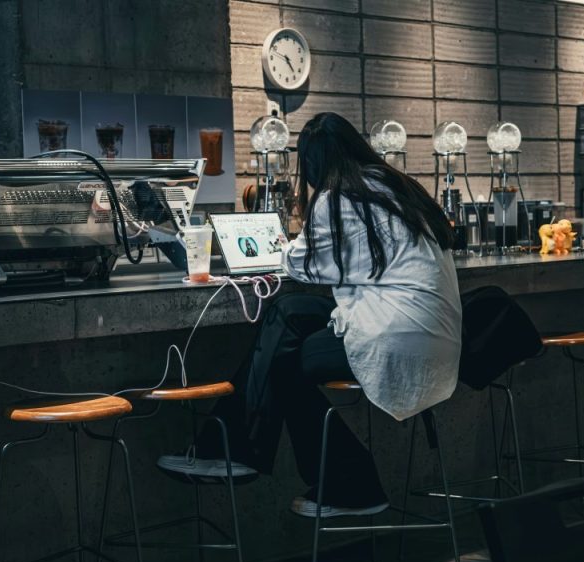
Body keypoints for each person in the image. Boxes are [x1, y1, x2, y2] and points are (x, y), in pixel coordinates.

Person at [159, 112, 462, 518]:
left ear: (314, 163)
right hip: (435, 334)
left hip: (395, 336)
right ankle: (242, 453)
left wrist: (279, 245)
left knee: (282, 362)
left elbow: (306, 265)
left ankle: (247, 455)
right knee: (288, 311)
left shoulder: (339, 198)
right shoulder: (396, 186)